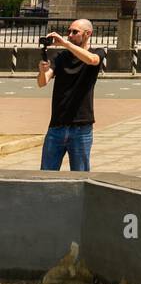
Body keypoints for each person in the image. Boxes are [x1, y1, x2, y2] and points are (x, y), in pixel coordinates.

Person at [37, 19, 105, 172]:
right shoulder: (61, 57)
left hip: (81, 127)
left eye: (75, 32)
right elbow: (42, 82)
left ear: (88, 34)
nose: (70, 35)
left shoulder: (97, 52)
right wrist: (42, 70)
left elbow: (92, 60)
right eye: (68, 31)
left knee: (80, 177)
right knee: (46, 175)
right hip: (57, 126)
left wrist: (66, 44)